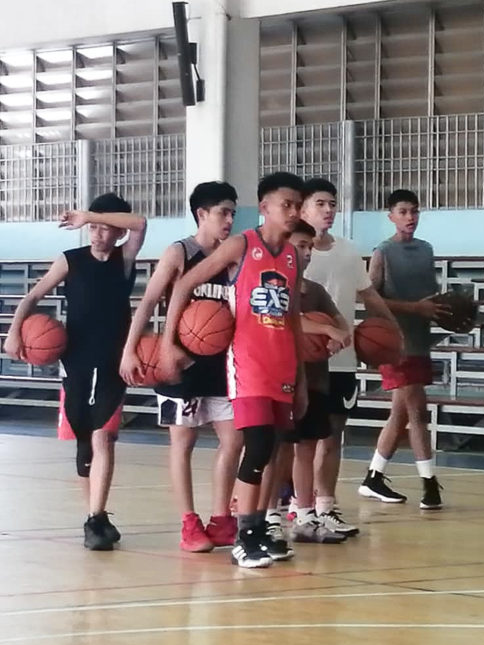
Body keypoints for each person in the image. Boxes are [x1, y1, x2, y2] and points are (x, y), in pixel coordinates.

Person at [161, 171, 308, 568]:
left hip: (283, 366)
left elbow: (292, 317)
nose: (294, 211)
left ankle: (258, 529)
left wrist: (303, 378)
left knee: (276, 449)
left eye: (298, 205)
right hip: (247, 364)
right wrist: (169, 341)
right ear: (264, 208)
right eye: (286, 204)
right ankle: (244, 536)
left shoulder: (293, 256)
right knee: (257, 445)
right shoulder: (243, 245)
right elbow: (184, 284)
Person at [4, 194, 147, 550]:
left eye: (104, 228)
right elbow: (32, 297)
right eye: (93, 228)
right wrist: (13, 332)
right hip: (76, 360)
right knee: (85, 442)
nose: (97, 234)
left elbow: (141, 223)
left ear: (116, 232)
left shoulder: (124, 259)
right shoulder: (71, 260)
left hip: (114, 361)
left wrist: (88, 215)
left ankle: (96, 518)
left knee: (104, 438)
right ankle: (94, 517)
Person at [119, 182, 243, 553]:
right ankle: (189, 522)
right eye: (224, 212)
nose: (230, 219)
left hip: (221, 364)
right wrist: (130, 350)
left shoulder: (232, 256)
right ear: (202, 214)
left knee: (234, 439)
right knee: (183, 442)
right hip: (179, 363)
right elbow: (148, 302)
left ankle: (222, 519)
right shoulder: (180, 252)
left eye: (233, 213)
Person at [299, 178, 399, 535]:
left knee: (333, 434)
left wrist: (392, 330)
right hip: (305, 359)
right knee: (301, 438)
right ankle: (298, 506)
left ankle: (326, 506)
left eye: (332, 204)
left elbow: (369, 295)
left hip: (342, 357)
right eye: (321, 203)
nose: (329, 210)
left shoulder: (348, 250)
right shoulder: (294, 252)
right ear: (304, 208)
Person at [358, 189, 447, 509]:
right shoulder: (382, 252)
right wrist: (413, 308)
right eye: (403, 211)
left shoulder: (426, 250)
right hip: (394, 342)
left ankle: (373, 477)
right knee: (418, 413)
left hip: (420, 339)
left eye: (414, 211)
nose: (410, 217)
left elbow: (429, 297)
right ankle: (430, 484)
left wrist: (446, 309)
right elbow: (369, 298)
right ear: (391, 216)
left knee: (399, 414)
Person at [278, 220, 350, 544]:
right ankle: (266, 515)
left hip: (316, 378)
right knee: (278, 450)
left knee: (307, 447)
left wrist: (338, 336)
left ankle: (305, 514)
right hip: (282, 377)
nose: (306, 252)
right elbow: (290, 320)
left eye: (309, 247)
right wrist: (326, 331)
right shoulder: (275, 284)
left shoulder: (316, 291)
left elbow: (340, 324)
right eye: (300, 245)